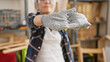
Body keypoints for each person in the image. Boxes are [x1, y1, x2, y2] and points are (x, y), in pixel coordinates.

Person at [25, 0, 91, 62]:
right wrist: (45, 19)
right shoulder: (32, 17)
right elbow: (33, 21)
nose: (47, 1)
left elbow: (67, 49)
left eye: (50, 0)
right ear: (37, 4)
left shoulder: (60, 20)